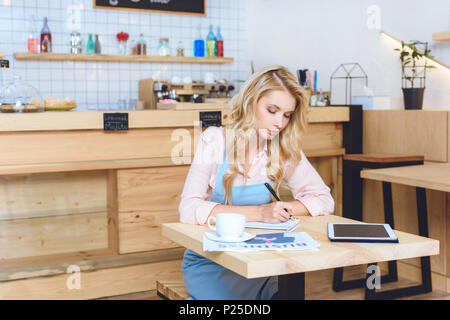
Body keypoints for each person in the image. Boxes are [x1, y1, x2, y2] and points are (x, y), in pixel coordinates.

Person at [178, 65, 334, 300]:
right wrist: (260, 213)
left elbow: (323, 199)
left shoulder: (284, 150)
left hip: (259, 261)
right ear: (251, 101)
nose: (280, 123)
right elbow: (188, 210)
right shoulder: (215, 140)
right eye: (272, 110)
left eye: (287, 115)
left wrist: (282, 210)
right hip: (212, 262)